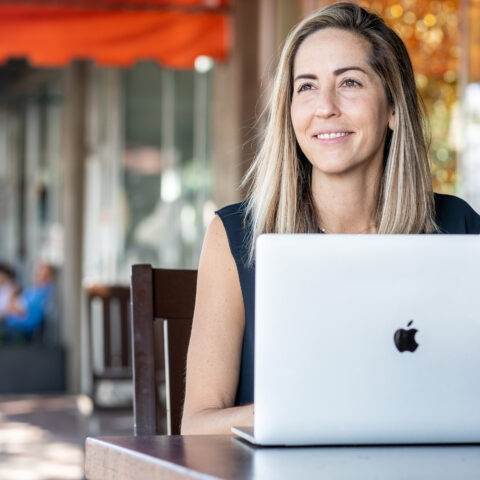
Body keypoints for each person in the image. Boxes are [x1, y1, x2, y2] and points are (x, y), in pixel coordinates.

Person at [181, 2, 480, 435]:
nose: (325, 107)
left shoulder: (460, 228)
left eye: (350, 83)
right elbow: (197, 425)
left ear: (393, 107)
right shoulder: (237, 236)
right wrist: (318, 409)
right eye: (306, 87)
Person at [1, 262, 56, 343]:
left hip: (19, 331)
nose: (38, 276)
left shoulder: (42, 292)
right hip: (11, 326)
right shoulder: (34, 290)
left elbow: (19, 310)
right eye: (37, 273)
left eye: (43, 274)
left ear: (49, 277)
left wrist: (11, 299)